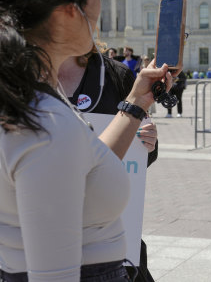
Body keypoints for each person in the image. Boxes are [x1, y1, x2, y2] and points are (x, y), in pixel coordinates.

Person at [0, 0, 176, 281]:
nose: (102, 6)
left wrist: (135, 103)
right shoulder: (44, 123)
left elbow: (79, 169)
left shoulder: (10, 92)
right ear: (71, 10)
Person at [58, 47, 158, 282]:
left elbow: (143, 156)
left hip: (112, 236)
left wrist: (148, 142)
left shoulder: (116, 75)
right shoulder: (20, 74)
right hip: (44, 243)